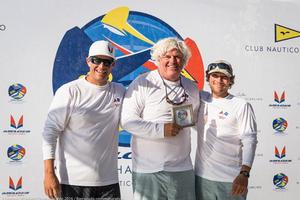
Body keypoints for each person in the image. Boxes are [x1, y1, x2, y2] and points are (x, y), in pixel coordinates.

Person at [42, 40, 125, 199]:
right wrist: (49, 174)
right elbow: (50, 132)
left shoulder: (120, 91)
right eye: (96, 60)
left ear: (113, 65)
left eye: (107, 62)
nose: (101, 66)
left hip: (109, 183)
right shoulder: (70, 91)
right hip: (73, 183)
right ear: (88, 61)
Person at [121, 37, 200, 200]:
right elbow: (127, 121)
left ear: (184, 61)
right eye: (167, 56)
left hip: (181, 170)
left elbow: (197, 122)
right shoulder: (143, 82)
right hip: (148, 170)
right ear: (158, 59)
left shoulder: (191, 88)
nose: (173, 61)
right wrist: (161, 130)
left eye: (178, 57)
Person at [195, 60, 258, 200]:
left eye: (224, 77)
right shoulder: (199, 98)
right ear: (208, 78)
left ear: (230, 80)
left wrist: (244, 174)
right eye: (215, 75)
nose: (219, 80)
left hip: (232, 179)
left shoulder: (242, 105)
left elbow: (250, 141)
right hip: (202, 178)